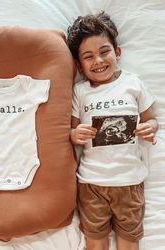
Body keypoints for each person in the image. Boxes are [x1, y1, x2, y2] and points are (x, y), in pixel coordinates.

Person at [66, 12, 158, 250]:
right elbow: (73, 130)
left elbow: (152, 120)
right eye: (88, 56)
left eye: (104, 51)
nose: (98, 61)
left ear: (117, 53)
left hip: (129, 181)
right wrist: (76, 134)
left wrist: (149, 128)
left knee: (129, 242)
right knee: (95, 243)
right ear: (79, 65)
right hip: (91, 182)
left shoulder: (133, 83)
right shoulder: (80, 91)